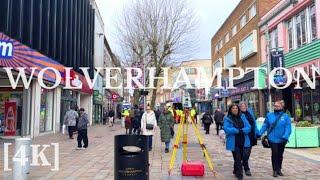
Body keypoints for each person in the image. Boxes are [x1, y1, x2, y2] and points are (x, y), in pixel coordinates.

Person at [259, 100, 291, 177]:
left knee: (280, 154)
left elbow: (288, 127)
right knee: (275, 153)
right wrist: (259, 133)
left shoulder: (286, 116)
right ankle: (275, 170)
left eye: (278, 106)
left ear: (281, 107)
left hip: (282, 139)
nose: (276, 107)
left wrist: (286, 136)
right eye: (275, 106)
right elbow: (265, 125)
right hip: (272, 138)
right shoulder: (269, 115)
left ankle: (279, 169)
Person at [223, 104, 251, 180]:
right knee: (237, 158)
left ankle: (236, 169)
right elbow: (226, 128)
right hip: (233, 141)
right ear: (230, 110)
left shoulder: (242, 116)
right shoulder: (227, 118)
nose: (235, 109)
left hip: (243, 140)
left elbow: (248, 127)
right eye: (233, 108)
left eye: (236, 108)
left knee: (241, 157)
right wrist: (236, 131)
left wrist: (243, 130)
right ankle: (240, 175)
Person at [239, 101, 259, 176]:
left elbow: (254, 123)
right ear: (239, 107)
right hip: (242, 135)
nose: (243, 108)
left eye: (244, 106)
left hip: (250, 135)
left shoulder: (250, 113)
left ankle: (244, 164)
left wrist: (257, 132)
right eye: (241, 107)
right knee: (242, 153)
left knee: (247, 153)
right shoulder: (238, 114)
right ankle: (245, 168)